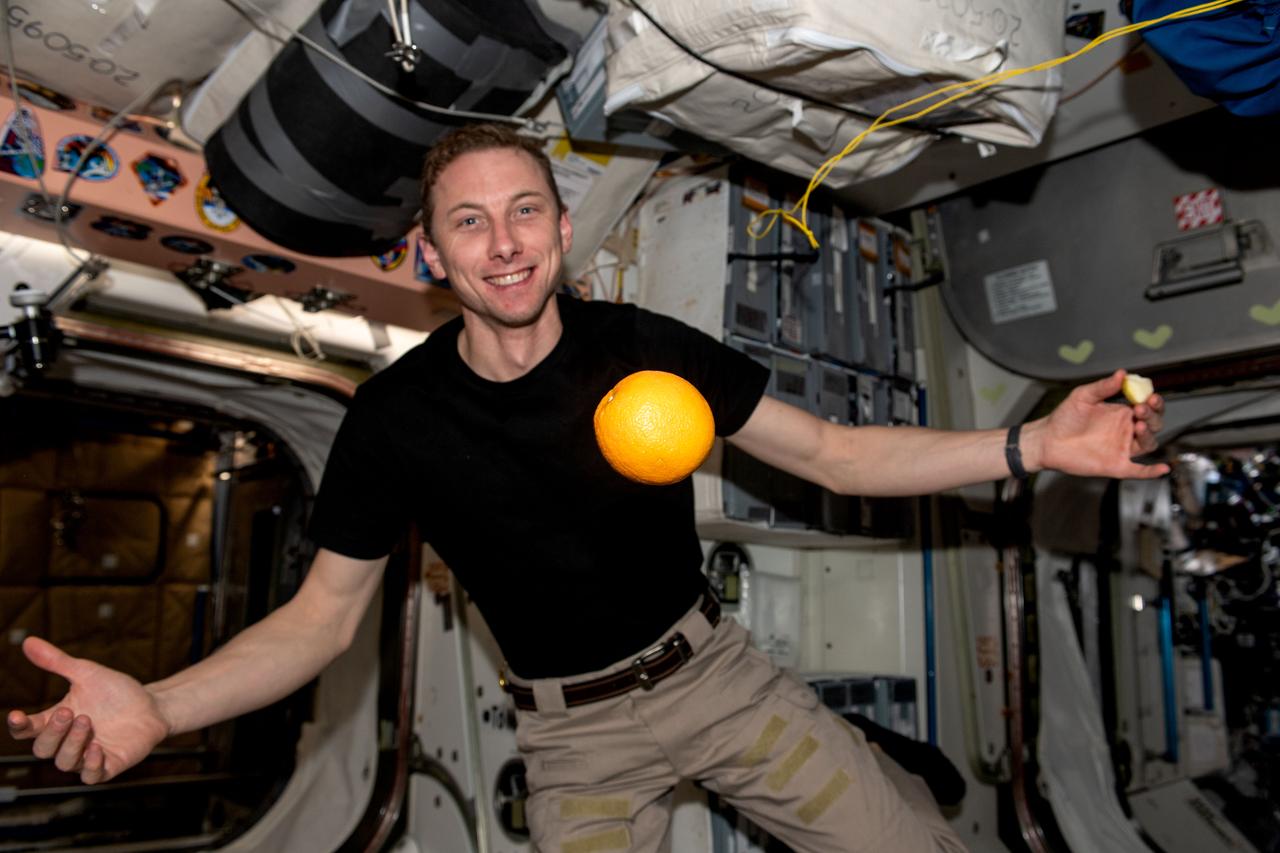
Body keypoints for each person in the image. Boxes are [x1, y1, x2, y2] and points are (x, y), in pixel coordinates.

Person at [7, 123, 1166, 852]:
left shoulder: (645, 348)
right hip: (573, 740)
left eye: (523, 212)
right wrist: (164, 707)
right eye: (469, 222)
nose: (501, 242)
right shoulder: (391, 421)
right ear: (431, 255)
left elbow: (836, 454)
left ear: (562, 230)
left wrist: (1029, 450)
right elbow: (321, 618)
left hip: (718, 680)